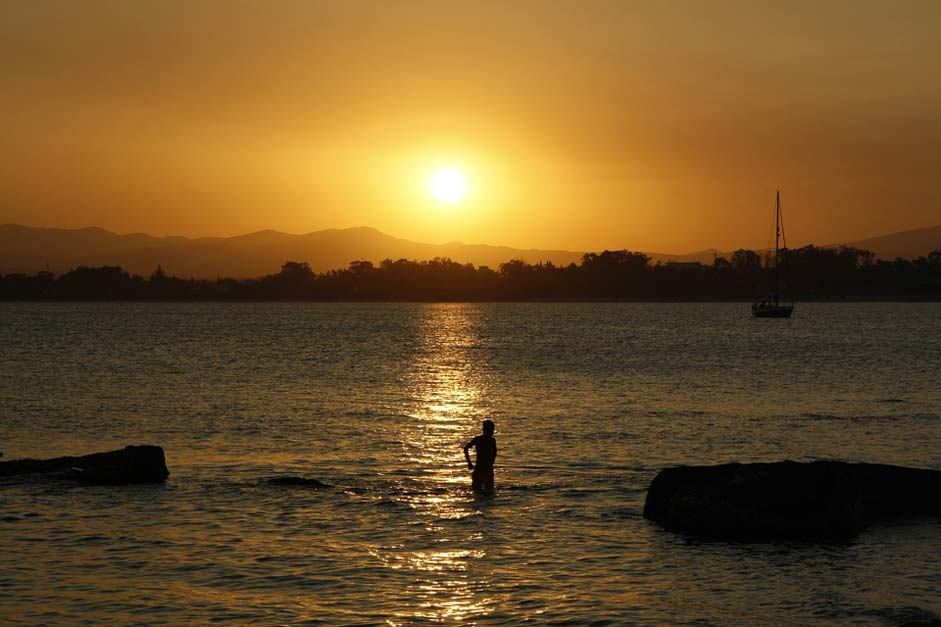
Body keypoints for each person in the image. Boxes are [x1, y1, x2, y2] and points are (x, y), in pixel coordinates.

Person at [463, 419, 497, 492]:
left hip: (488, 469)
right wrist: (469, 463)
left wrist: (492, 462)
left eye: (492, 429)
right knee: (477, 491)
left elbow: (494, 452)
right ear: (484, 429)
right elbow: (466, 448)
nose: (492, 432)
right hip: (480, 469)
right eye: (491, 429)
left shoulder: (492, 440)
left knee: (489, 492)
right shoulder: (478, 439)